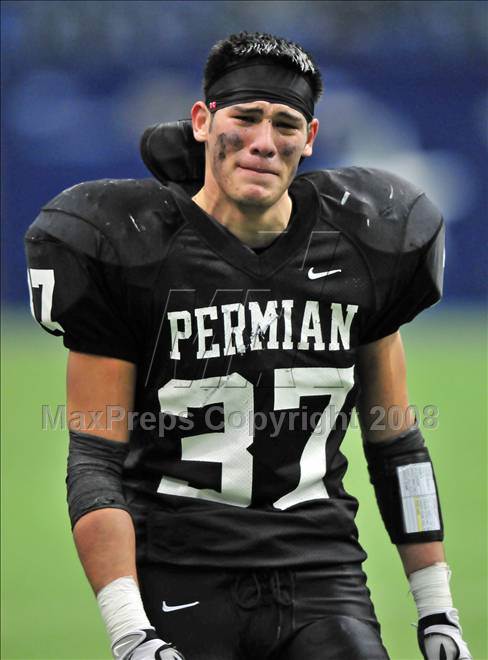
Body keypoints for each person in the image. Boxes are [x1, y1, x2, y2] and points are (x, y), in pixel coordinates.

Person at [25, 31, 471, 660]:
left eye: (286, 123)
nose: (265, 141)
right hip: (181, 580)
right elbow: (95, 461)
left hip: (323, 578)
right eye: (246, 117)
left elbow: (396, 441)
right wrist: (128, 629)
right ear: (204, 121)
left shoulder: (366, 247)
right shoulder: (128, 249)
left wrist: (437, 609)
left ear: (309, 139)